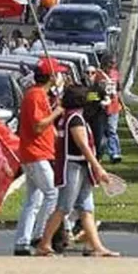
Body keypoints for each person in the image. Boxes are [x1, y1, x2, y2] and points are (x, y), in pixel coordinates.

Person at [35, 85, 117, 257]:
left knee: (87, 208)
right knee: (64, 207)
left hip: (81, 166)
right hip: (73, 166)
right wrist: (98, 167)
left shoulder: (70, 117)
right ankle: (44, 243)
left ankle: (97, 247)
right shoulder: (75, 119)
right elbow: (83, 146)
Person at [13, 57, 65, 256]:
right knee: (52, 194)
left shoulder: (41, 95)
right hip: (36, 153)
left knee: (32, 200)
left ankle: (22, 241)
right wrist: (57, 112)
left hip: (37, 152)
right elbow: (38, 125)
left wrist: (53, 107)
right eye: (57, 73)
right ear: (51, 76)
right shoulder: (35, 95)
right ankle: (40, 235)